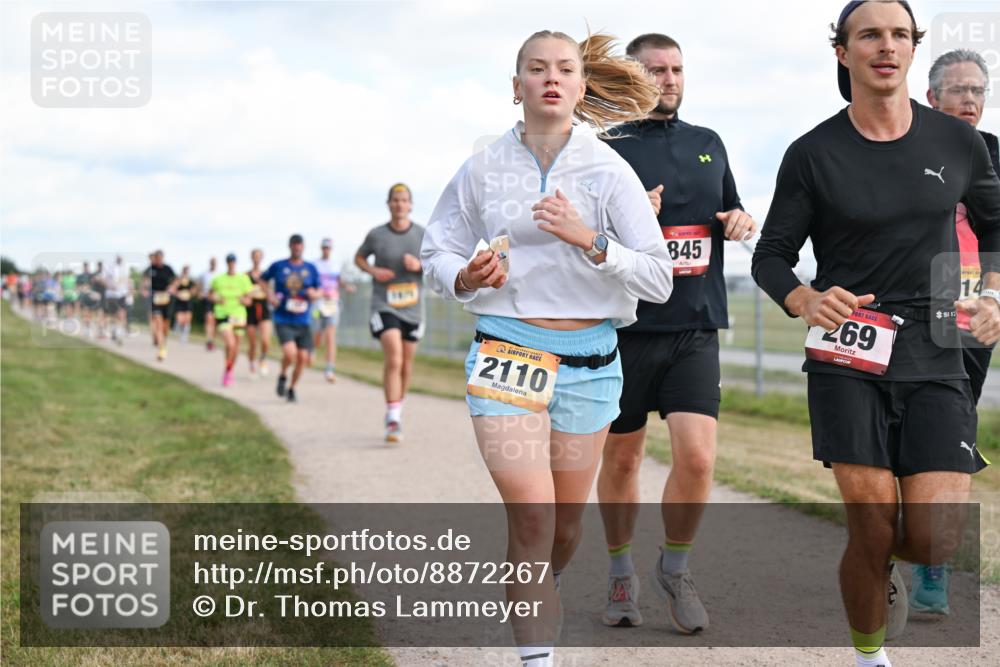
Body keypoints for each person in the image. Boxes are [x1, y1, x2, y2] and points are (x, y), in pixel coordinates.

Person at [751, 3, 999, 666]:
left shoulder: (958, 143)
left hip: (936, 346)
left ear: (913, 48)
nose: (885, 46)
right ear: (842, 51)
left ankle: (879, 561)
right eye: (870, 35)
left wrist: (995, 291)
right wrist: (803, 296)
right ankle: (869, 656)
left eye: (899, 35)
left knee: (936, 537)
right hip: (848, 348)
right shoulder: (813, 153)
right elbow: (770, 254)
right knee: (869, 523)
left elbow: (996, 227)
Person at [421, 30, 672, 667]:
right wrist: (464, 275)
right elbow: (438, 249)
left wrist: (591, 240)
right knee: (532, 518)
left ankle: (541, 584)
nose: (551, 78)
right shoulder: (482, 167)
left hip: (591, 362)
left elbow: (658, 277)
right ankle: (537, 657)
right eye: (537, 69)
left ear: (583, 88)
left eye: (565, 69)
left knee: (564, 527)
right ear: (518, 87)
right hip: (509, 352)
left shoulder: (609, 169)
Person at [595, 32, 756, 632]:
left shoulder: (708, 143)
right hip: (628, 329)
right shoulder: (606, 149)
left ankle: (674, 565)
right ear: (633, 77)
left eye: (677, 70)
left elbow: (732, 211)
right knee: (624, 459)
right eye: (657, 70)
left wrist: (740, 221)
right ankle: (618, 571)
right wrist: (632, 216)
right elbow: (585, 240)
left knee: (697, 457)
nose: (670, 79)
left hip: (695, 323)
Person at [906, 48, 1000, 616]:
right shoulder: (905, 146)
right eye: (958, 90)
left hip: (971, 314)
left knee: (952, 431)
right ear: (931, 96)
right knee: (903, 434)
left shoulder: (994, 155)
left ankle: (933, 565)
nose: (969, 100)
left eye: (978, 91)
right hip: (911, 308)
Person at [355, 184, 426, 442]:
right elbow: (359, 258)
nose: (399, 204)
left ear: (410, 205)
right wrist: (374, 271)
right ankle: (393, 419)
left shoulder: (421, 234)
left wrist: (419, 265)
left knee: (406, 365)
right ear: (389, 204)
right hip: (383, 304)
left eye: (404, 200)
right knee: (394, 358)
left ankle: (396, 409)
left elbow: (434, 264)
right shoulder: (377, 235)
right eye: (395, 200)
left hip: (413, 308)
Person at [264, 234, 320, 403]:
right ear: (290, 246)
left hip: (303, 320)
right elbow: (262, 280)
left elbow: (319, 290)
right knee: (290, 353)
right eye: (294, 245)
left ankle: (292, 388)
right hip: (283, 318)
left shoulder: (311, 268)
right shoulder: (279, 266)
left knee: (303, 358)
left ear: (303, 247)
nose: (297, 248)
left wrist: (314, 294)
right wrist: (270, 295)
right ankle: (282, 375)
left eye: (299, 245)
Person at [210, 253, 254, 386]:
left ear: (236, 262)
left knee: (236, 347)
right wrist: (216, 298)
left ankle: (229, 370)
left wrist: (244, 300)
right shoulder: (218, 279)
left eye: (233, 261)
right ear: (226, 263)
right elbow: (210, 295)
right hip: (223, 313)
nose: (231, 263)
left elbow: (249, 300)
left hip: (239, 315)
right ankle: (228, 370)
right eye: (229, 261)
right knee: (230, 344)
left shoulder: (243, 279)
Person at [313, 237, 350, 383]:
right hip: (317, 303)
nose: (326, 250)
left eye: (328, 248)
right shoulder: (315, 264)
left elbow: (340, 281)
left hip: (332, 303)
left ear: (331, 249)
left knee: (330, 335)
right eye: (324, 247)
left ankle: (330, 368)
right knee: (317, 334)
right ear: (321, 248)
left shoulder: (336, 265)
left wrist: (347, 286)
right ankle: (312, 349)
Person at [142, 250, 176, 361]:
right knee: (158, 323)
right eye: (157, 258)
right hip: (154, 299)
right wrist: (144, 289)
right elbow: (144, 282)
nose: (158, 260)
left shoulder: (168, 269)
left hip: (166, 299)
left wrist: (172, 287)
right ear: (155, 258)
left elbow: (176, 281)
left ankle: (162, 341)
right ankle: (162, 349)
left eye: (160, 258)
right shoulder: (150, 269)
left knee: (165, 327)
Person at [246, 248, 273, 377]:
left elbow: (270, 291)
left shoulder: (266, 275)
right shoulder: (246, 275)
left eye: (259, 256)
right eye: (254, 256)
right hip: (250, 309)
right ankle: (251, 364)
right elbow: (243, 292)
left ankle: (263, 358)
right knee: (252, 341)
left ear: (262, 258)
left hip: (263, 307)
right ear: (251, 258)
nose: (257, 258)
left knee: (265, 339)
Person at [102, 256, 133, 345]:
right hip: (111, 295)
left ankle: (118, 332)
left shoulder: (125, 269)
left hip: (122, 294)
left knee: (121, 313)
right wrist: (109, 286)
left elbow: (128, 280)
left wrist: (130, 290)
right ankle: (114, 330)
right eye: (118, 258)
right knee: (114, 314)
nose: (120, 260)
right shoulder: (109, 268)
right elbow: (103, 279)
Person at [173, 265, 196, 344]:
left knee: (187, 320)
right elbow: (173, 289)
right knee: (180, 320)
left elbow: (194, 291)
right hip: (180, 302)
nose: (186, 273)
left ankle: (184, 337)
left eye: (187, 271)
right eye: (185, 271)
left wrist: (190, 293)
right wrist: (178, 294)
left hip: (187, 302)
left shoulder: (191, 281)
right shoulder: (178, 280)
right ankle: (177, 327)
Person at [199, 257, 219, 351]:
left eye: (214, 262)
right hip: (207, 299)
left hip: (217, 300)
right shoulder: (204, 274)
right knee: (208, 319)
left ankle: (212, 340)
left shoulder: (219, 274)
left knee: (214, 321)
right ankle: (209, 340)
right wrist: (201, 293)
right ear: (210, 263)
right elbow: (199, 285)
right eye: (212, 262)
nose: (213, 264)